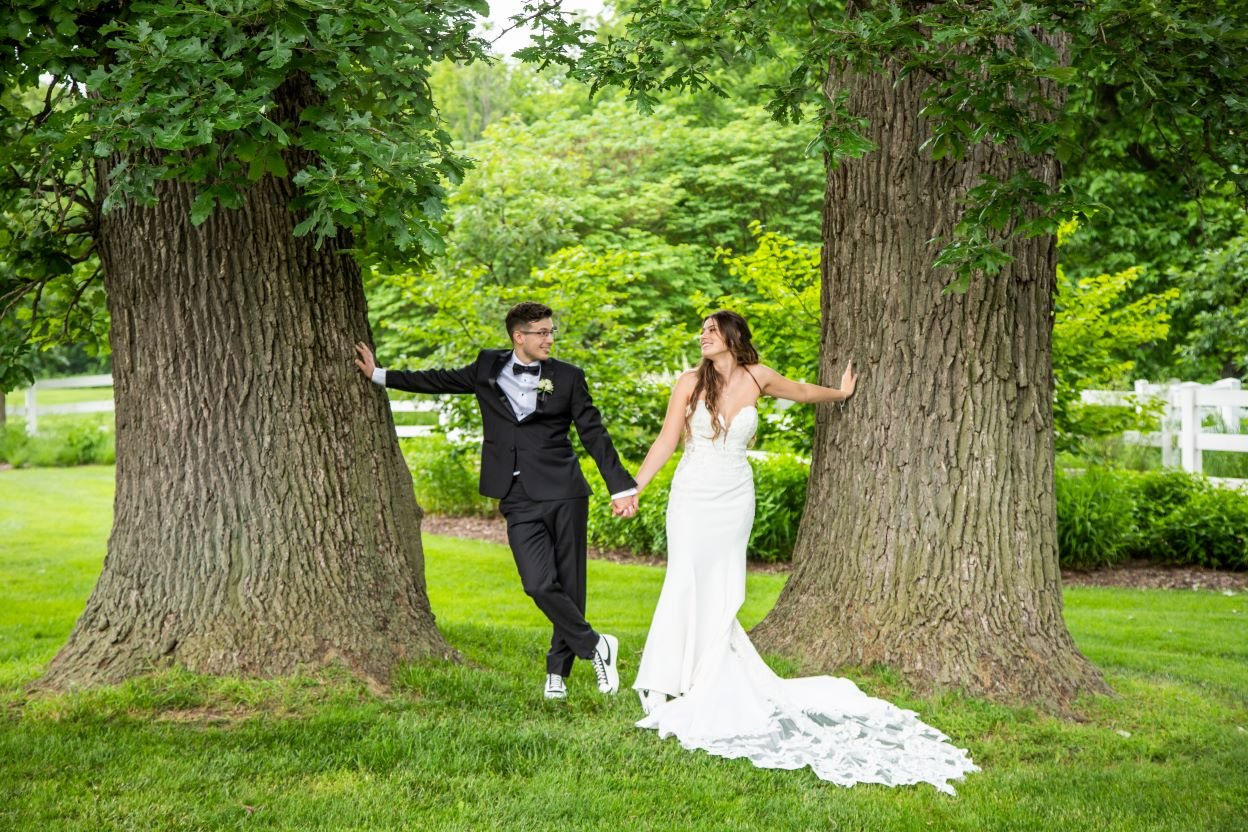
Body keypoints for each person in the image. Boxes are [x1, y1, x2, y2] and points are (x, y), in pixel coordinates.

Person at [629, 310, 978, 792]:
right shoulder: (689, 382)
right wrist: (635, 487)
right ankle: (667, 678)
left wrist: (842, 393)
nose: (704, 336)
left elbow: (803, 391)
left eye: (712, 330)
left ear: (732, 337)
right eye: (702, 331)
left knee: (724, 581)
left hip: (734, 496)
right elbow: (668, 439)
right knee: (684, 577)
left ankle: (707, 668)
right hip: (692, 495)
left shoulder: (759, 377)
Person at [354, 302, 639, 701]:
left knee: (569, 582)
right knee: (538, 584)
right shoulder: (487, 367)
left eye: (551, 331)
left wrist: (620, 486)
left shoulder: (568, 377)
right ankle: (596, 645)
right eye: (541, 332)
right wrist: (380, 375)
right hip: (515, 494)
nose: (549, 339)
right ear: (518, 336)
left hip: (563, 489)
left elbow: (593, 432)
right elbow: (439, 380)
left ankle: (557, 672)